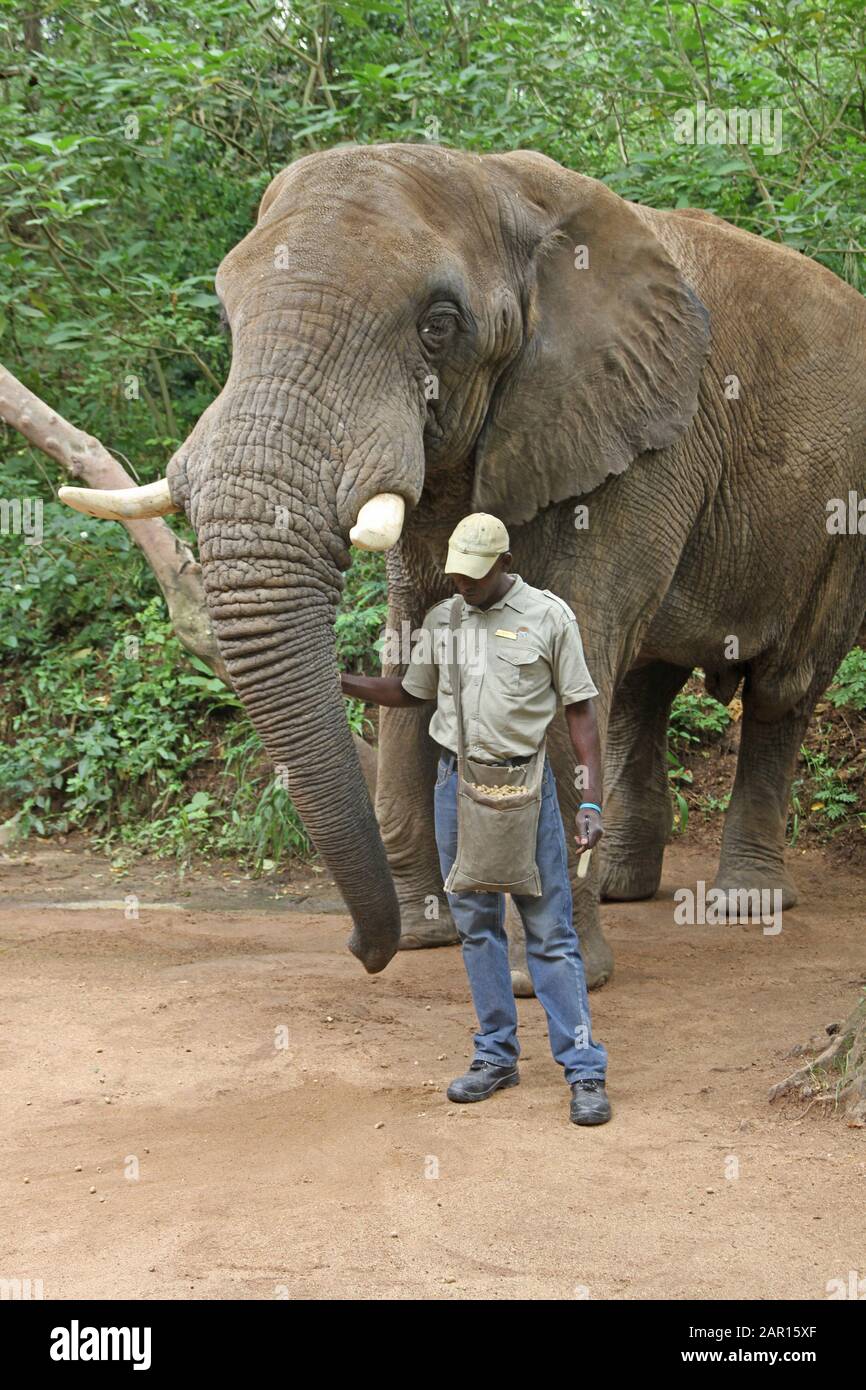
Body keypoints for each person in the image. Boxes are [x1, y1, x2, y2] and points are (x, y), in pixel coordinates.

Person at [340, 513, 610, 1126]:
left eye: (475, 578)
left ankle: (584, 1070)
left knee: (548, 930)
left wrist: (591, 800)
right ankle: (495, 1056)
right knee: (476, 926)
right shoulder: (445, 620)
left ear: (505, 566)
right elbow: (412, 693)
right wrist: (340, 682)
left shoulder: (548, 617)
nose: (463, 587)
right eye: (457, 577)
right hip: (455, 785)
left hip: (525, 788)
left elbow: (582, 716)